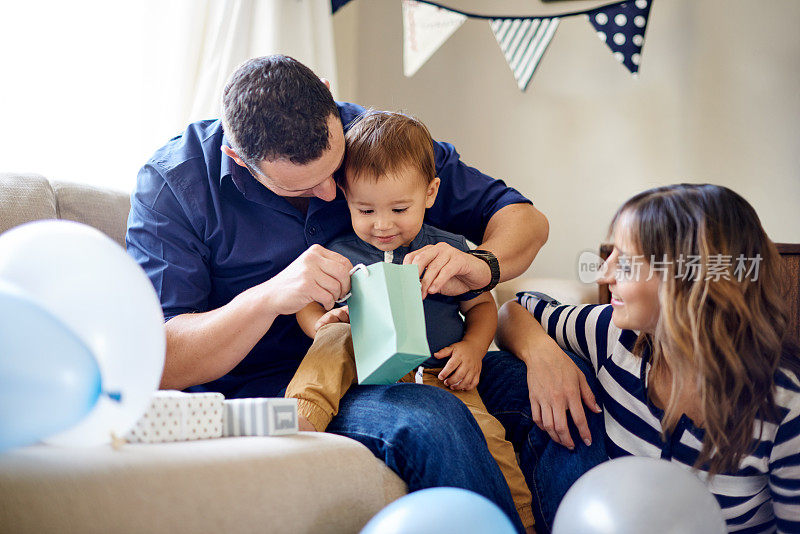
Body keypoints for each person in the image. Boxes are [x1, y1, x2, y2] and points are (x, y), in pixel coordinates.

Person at [126, 55, 549, 532]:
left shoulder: (377, 139)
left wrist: (480, 266)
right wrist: (267, 297)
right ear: (238, 159)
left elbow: (524, 219)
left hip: (424, 356)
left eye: (335, 170)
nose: (332, 194)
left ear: (329, 94)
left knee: (540, 388)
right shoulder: (174, 185)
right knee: (432, 417)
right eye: (302, 187)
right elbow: (158, 360)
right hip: (280, 382)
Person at [492, 184, 800, 533]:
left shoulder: (785, 410)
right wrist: (542, 355)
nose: (603, 276)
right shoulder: (612, 335)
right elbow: (514, 309)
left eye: (624, 263)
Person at [284, 110, 535, 531]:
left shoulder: (449, 250)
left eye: (400, 209)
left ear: (431, 193)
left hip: (445, 378)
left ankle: (523, 524)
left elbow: (482, 306)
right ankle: (303, 411)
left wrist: (474, 349)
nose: (382, 226)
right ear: (344, 196)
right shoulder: (339, 253)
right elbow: (302, 304)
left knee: (494, 445)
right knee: (337, 336)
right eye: (364, 210)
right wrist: (322, 322)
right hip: (370, 378)